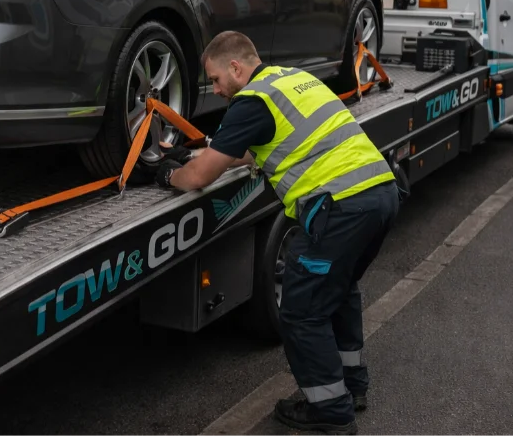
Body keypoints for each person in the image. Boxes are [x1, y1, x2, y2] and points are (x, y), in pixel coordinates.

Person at [153, 31, 401, 434]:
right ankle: (352, 388)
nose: (215, 90)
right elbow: (262, 147)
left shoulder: (251, 101)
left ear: (236, 67)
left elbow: (198, 178)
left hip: (340, 210)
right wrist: (203, 153)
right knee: (337, 294)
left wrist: (171, 174)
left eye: (216, 80)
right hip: (380, 193)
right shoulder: (291, 80)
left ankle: (331, 414)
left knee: (302, 312)